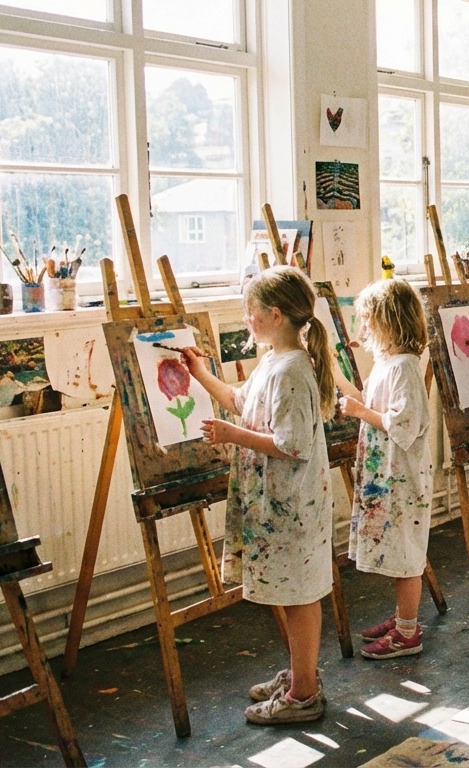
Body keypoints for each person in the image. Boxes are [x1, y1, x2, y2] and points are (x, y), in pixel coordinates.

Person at [182, 265, 333, 724]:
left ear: (273, 313)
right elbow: (240, 403)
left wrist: (233, 435)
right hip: (277, 503)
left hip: (292, 504)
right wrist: (201, 375)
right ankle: (300, 673)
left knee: (299, 594)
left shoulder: (292, 370)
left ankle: (304, 694)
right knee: (290, 589)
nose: (246, 319)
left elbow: (292, 444)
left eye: (250, 311)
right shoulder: (273, 360)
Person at [332, 278, 433, 659]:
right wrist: (334, 370)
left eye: (368, 321)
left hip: (402, 476)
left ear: (390, 322)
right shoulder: (388, 364)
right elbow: (364, 400)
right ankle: (402, 617)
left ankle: (407, 632)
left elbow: (402, 424)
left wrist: (359, 412)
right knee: (395, 549)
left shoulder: (405, 367)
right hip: (386, 475)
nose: (363, 329)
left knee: (406, 555)